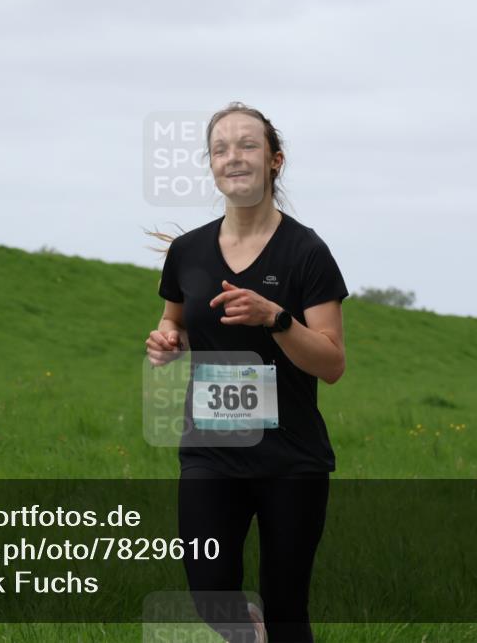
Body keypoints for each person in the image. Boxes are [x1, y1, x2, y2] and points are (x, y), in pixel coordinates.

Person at [145, 102, 349, 643]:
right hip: (210, 452)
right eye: (220, 148)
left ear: (275, 161)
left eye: (248, 145)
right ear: (212, 165)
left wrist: (275, 318)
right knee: (210, 591)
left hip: (291, 458)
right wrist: (167, 342)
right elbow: (175, 322)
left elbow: (332, 363)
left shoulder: (307, 252)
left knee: (286, 607)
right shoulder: (188, 251)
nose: (233, 156)